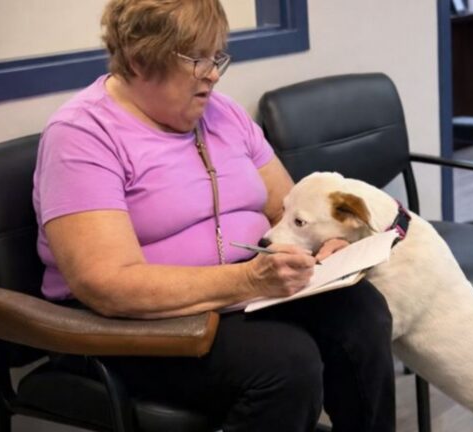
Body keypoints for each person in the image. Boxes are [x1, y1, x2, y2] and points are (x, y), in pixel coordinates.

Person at [32, 0, 396, 431]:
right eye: (195, 59)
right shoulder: (82, 135)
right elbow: (106, 283)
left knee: (363, 315)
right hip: (133, 322)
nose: (213, 73)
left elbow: (287, 207)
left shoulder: (223, 114)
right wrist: (247, 280)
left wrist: (327, 244)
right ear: (138, 59)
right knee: (286, 364)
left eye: (216, 56)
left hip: (238, 292)